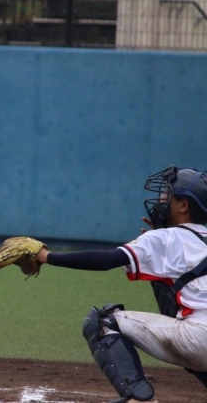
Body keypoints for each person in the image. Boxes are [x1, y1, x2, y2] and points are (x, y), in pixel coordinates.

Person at [27, 166, 207, 403]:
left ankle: (138, 399)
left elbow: (107, 260)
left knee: (103, 321)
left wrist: (47, 257)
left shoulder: (165, 238)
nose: (161, 200)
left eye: (167, 195)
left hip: (199, 339)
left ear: (183, 206)